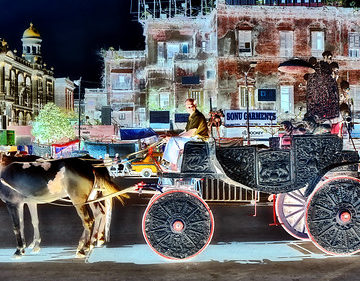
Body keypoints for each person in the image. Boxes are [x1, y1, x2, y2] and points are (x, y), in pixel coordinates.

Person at [162, 98, 209, 172]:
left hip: (198, 140)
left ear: (195, 105)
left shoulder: (197, 116)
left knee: (173, 141)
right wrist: (174, 137)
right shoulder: (191, 116)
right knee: (172, 141)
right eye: (188, 107)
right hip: (193, 139)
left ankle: (170, 165)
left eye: (191, 106)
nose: (189, 108)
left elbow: (190, 133)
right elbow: (185, 131)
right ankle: (172, 165)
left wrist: (174, 137)